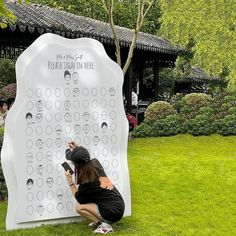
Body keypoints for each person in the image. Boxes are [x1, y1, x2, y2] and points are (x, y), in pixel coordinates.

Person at [64, 141, 125, 234]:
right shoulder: (95, 163)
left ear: (77, 165)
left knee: (79, 207)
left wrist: (70, 181)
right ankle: (102, 220)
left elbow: (79, 198)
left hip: (112, 212)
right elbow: (85, 159)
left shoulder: (87, 183)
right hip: (118, 204)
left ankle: (103, 226)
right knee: (90, 199)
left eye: (72, 162)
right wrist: (78, 148)